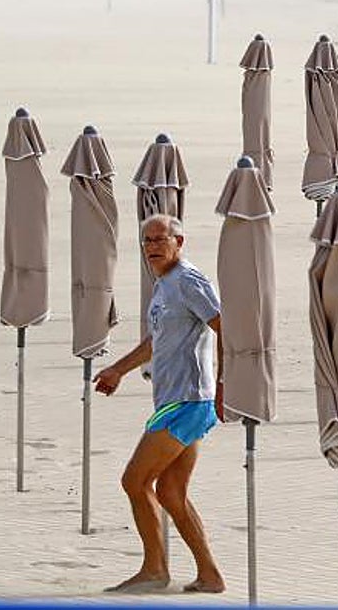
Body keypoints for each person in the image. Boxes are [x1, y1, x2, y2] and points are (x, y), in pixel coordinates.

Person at [95, 214, 226, 595]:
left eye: (160, 239)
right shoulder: (164, 284)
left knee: (134, 480)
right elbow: (155, 341)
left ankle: (154, 570)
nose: (152, 246)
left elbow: (225, 326)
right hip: (173, 400)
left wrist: (223, 382)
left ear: (178, 241)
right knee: (171, 492)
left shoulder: (188, 281)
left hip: (188, 400)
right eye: (146, 240)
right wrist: (118, 370)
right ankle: (210, 576)